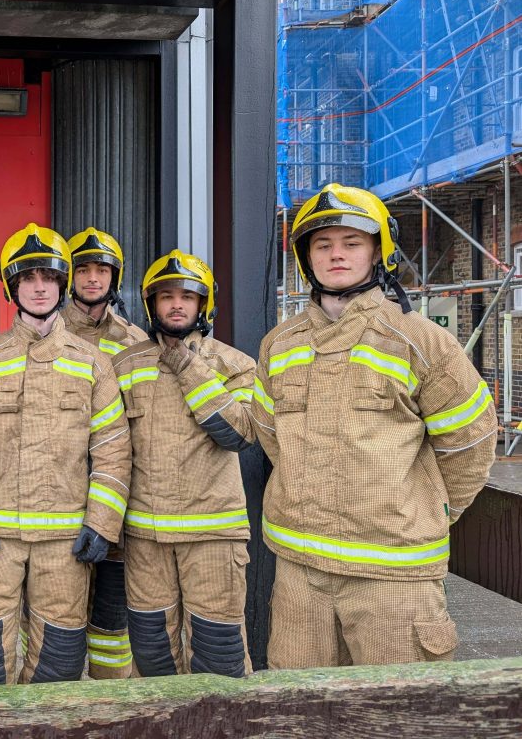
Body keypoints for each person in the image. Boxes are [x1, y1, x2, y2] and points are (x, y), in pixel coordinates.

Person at [252, 183, 495, 668]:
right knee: (301, 715)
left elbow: (472, 441)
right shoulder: (279, 345)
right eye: (322, 244)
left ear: (378, 251)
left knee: (396, 717)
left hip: (393, 577)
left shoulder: (419, 341)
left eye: (352, 243)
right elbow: (272, 436)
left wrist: (421, 510)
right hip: (301, 574)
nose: (335, 255)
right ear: (306, 258)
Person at [0, 223, 131, 686]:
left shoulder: (92, 362)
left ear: (61, 284)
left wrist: (101, 523)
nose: (39, 287)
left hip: (67, 544)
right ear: (11, 286)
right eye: (27, 278)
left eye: (48, 277)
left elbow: (112, 449)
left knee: (57, 669)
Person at [113, 250, 257, 677]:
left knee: (218, 656)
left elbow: (239, 433)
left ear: (204, 305)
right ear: (151, 304)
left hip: (212, 534)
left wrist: (188, 367)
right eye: (166, 296)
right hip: (144, 537)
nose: (176, 304)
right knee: (152, 655)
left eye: (188, 297)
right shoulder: (123, 366)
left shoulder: (235, 366)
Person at [60, 227, 146, 679]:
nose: (92, 278)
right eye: (83, 269)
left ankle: (110, 704)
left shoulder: (134, 341)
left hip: (115, 499)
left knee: (112, 617)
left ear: (115, 277)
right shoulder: (43, 334)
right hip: (55, 497)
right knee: (55, 618)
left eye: (102, 270)